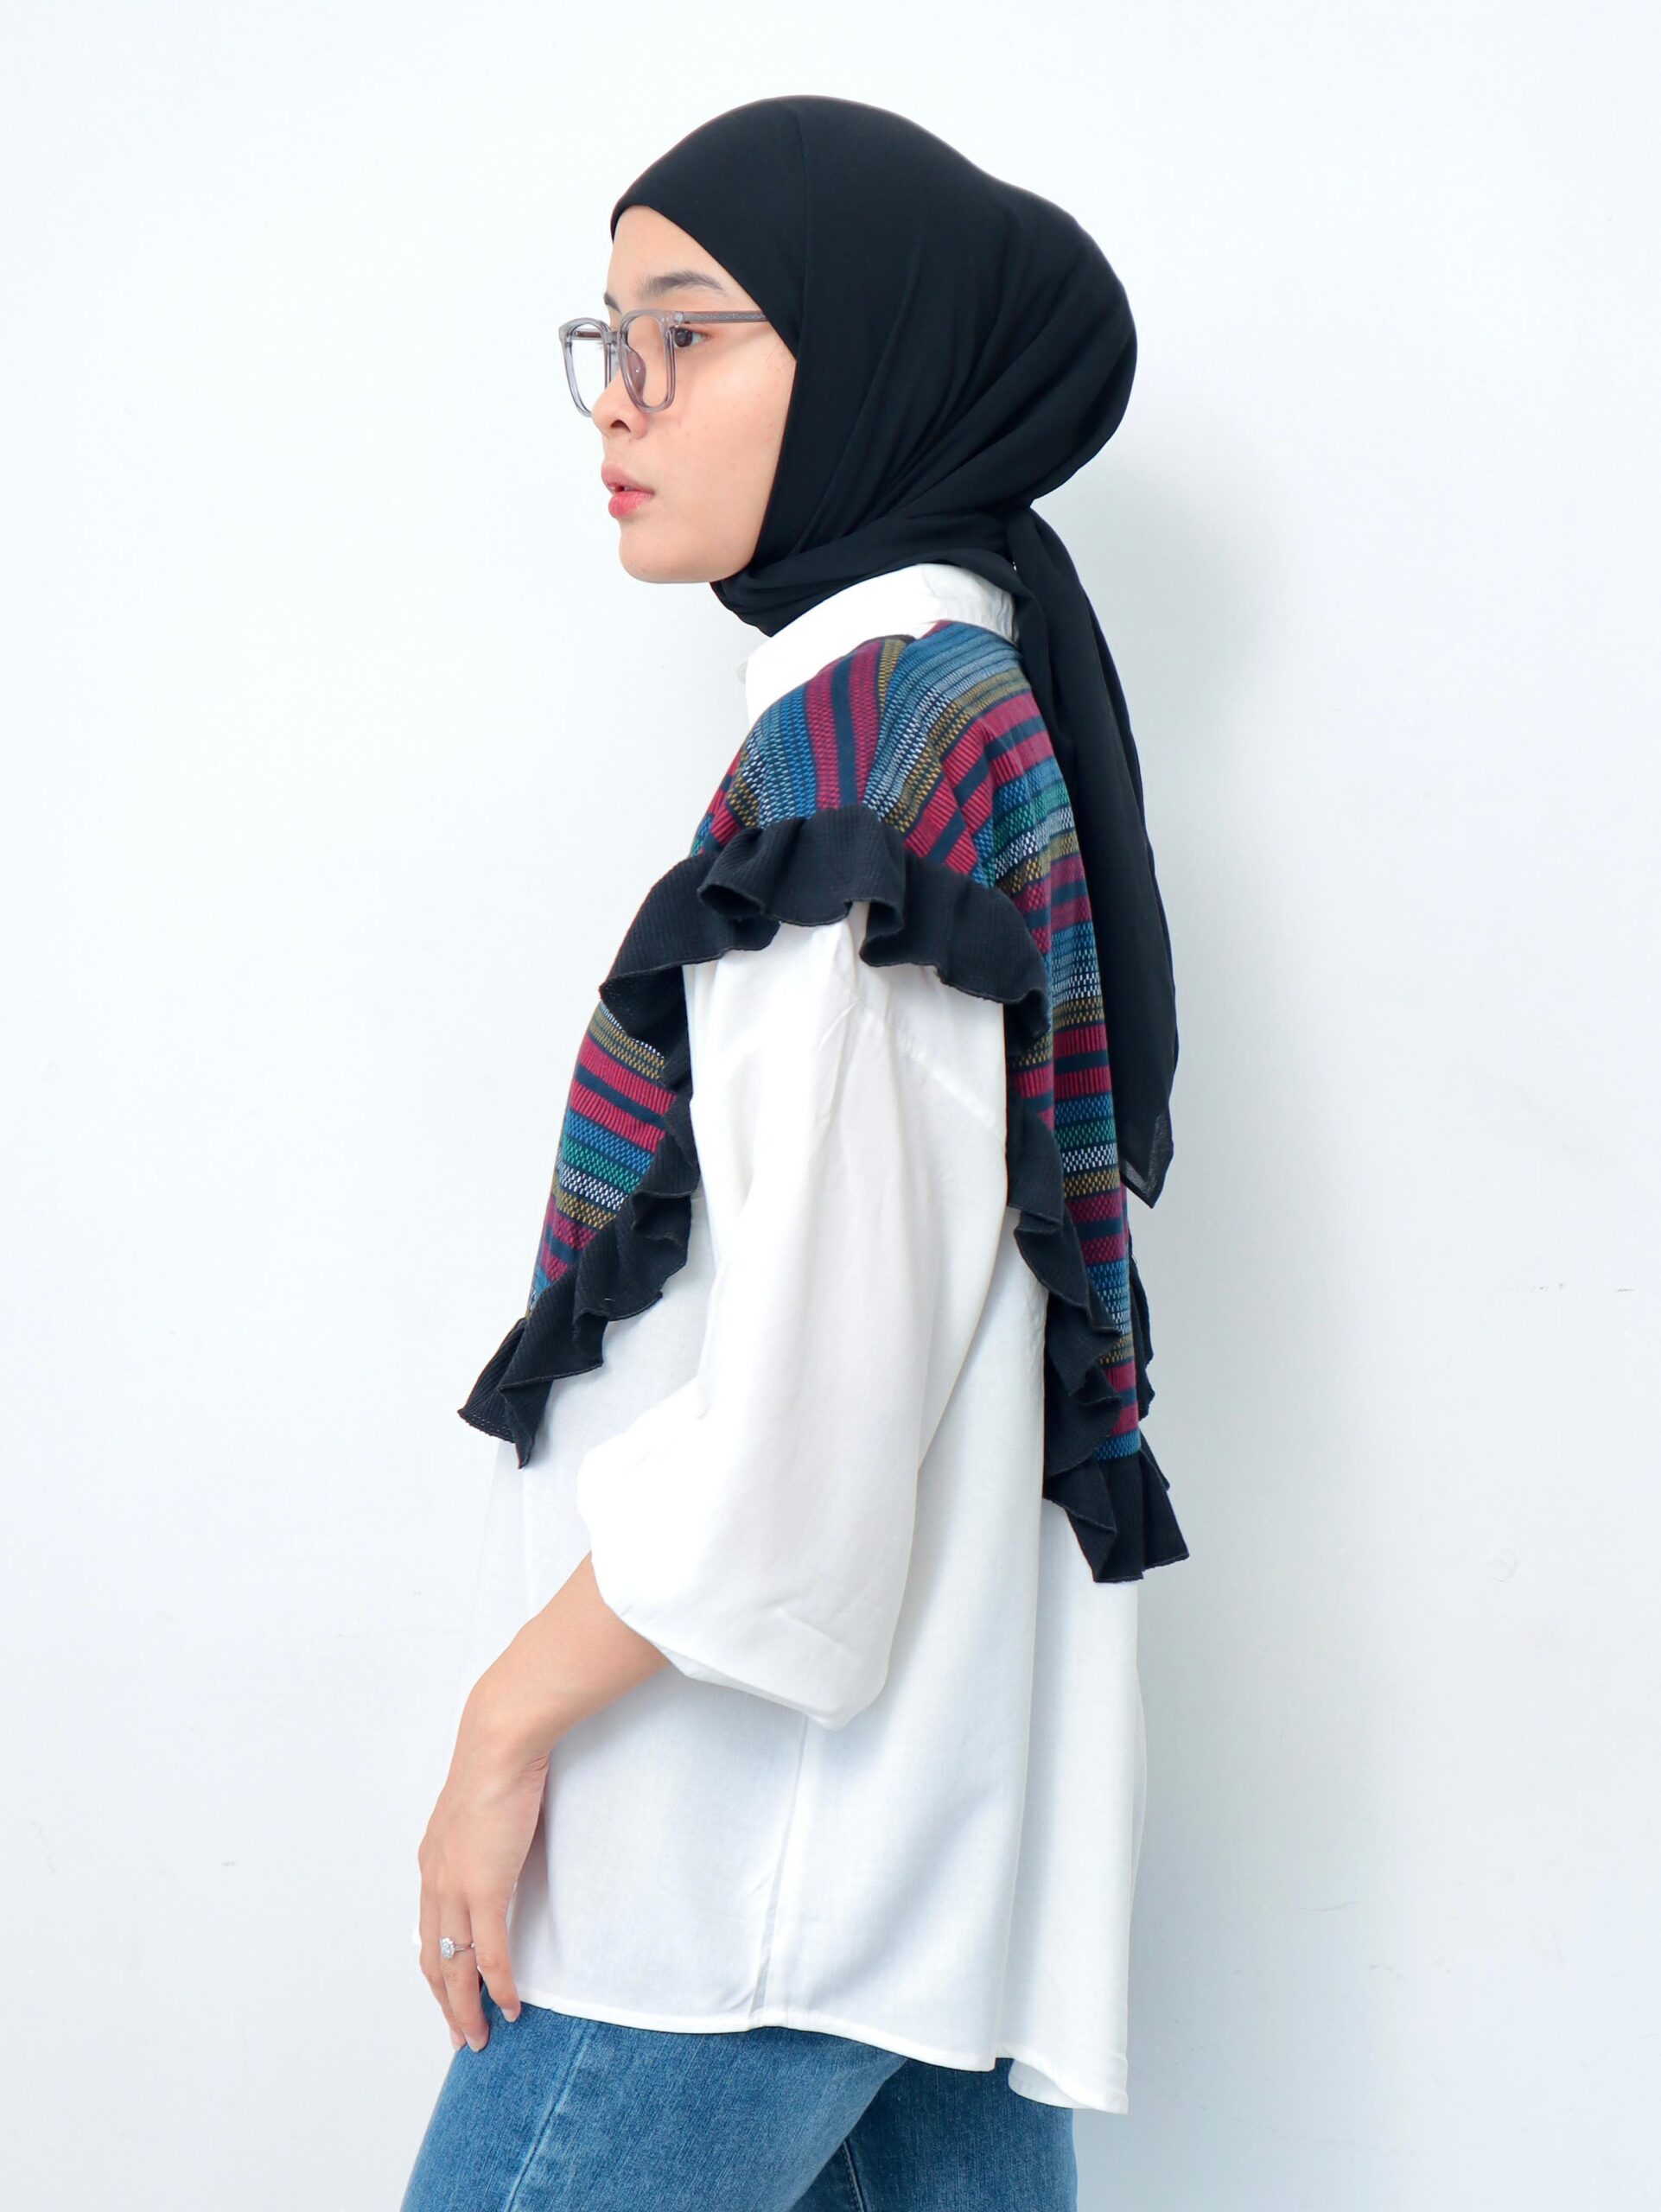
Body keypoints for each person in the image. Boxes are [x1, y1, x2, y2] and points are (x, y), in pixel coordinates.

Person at [401, 95, 1187, 2212]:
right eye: (611, 336)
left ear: (869, 359)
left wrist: (501, 1727)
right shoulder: (946, 710)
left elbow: (799, 1469)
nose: (622, 397)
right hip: (887, 1843)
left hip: (737, 1869)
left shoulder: (866, 759)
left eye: (690, 331)